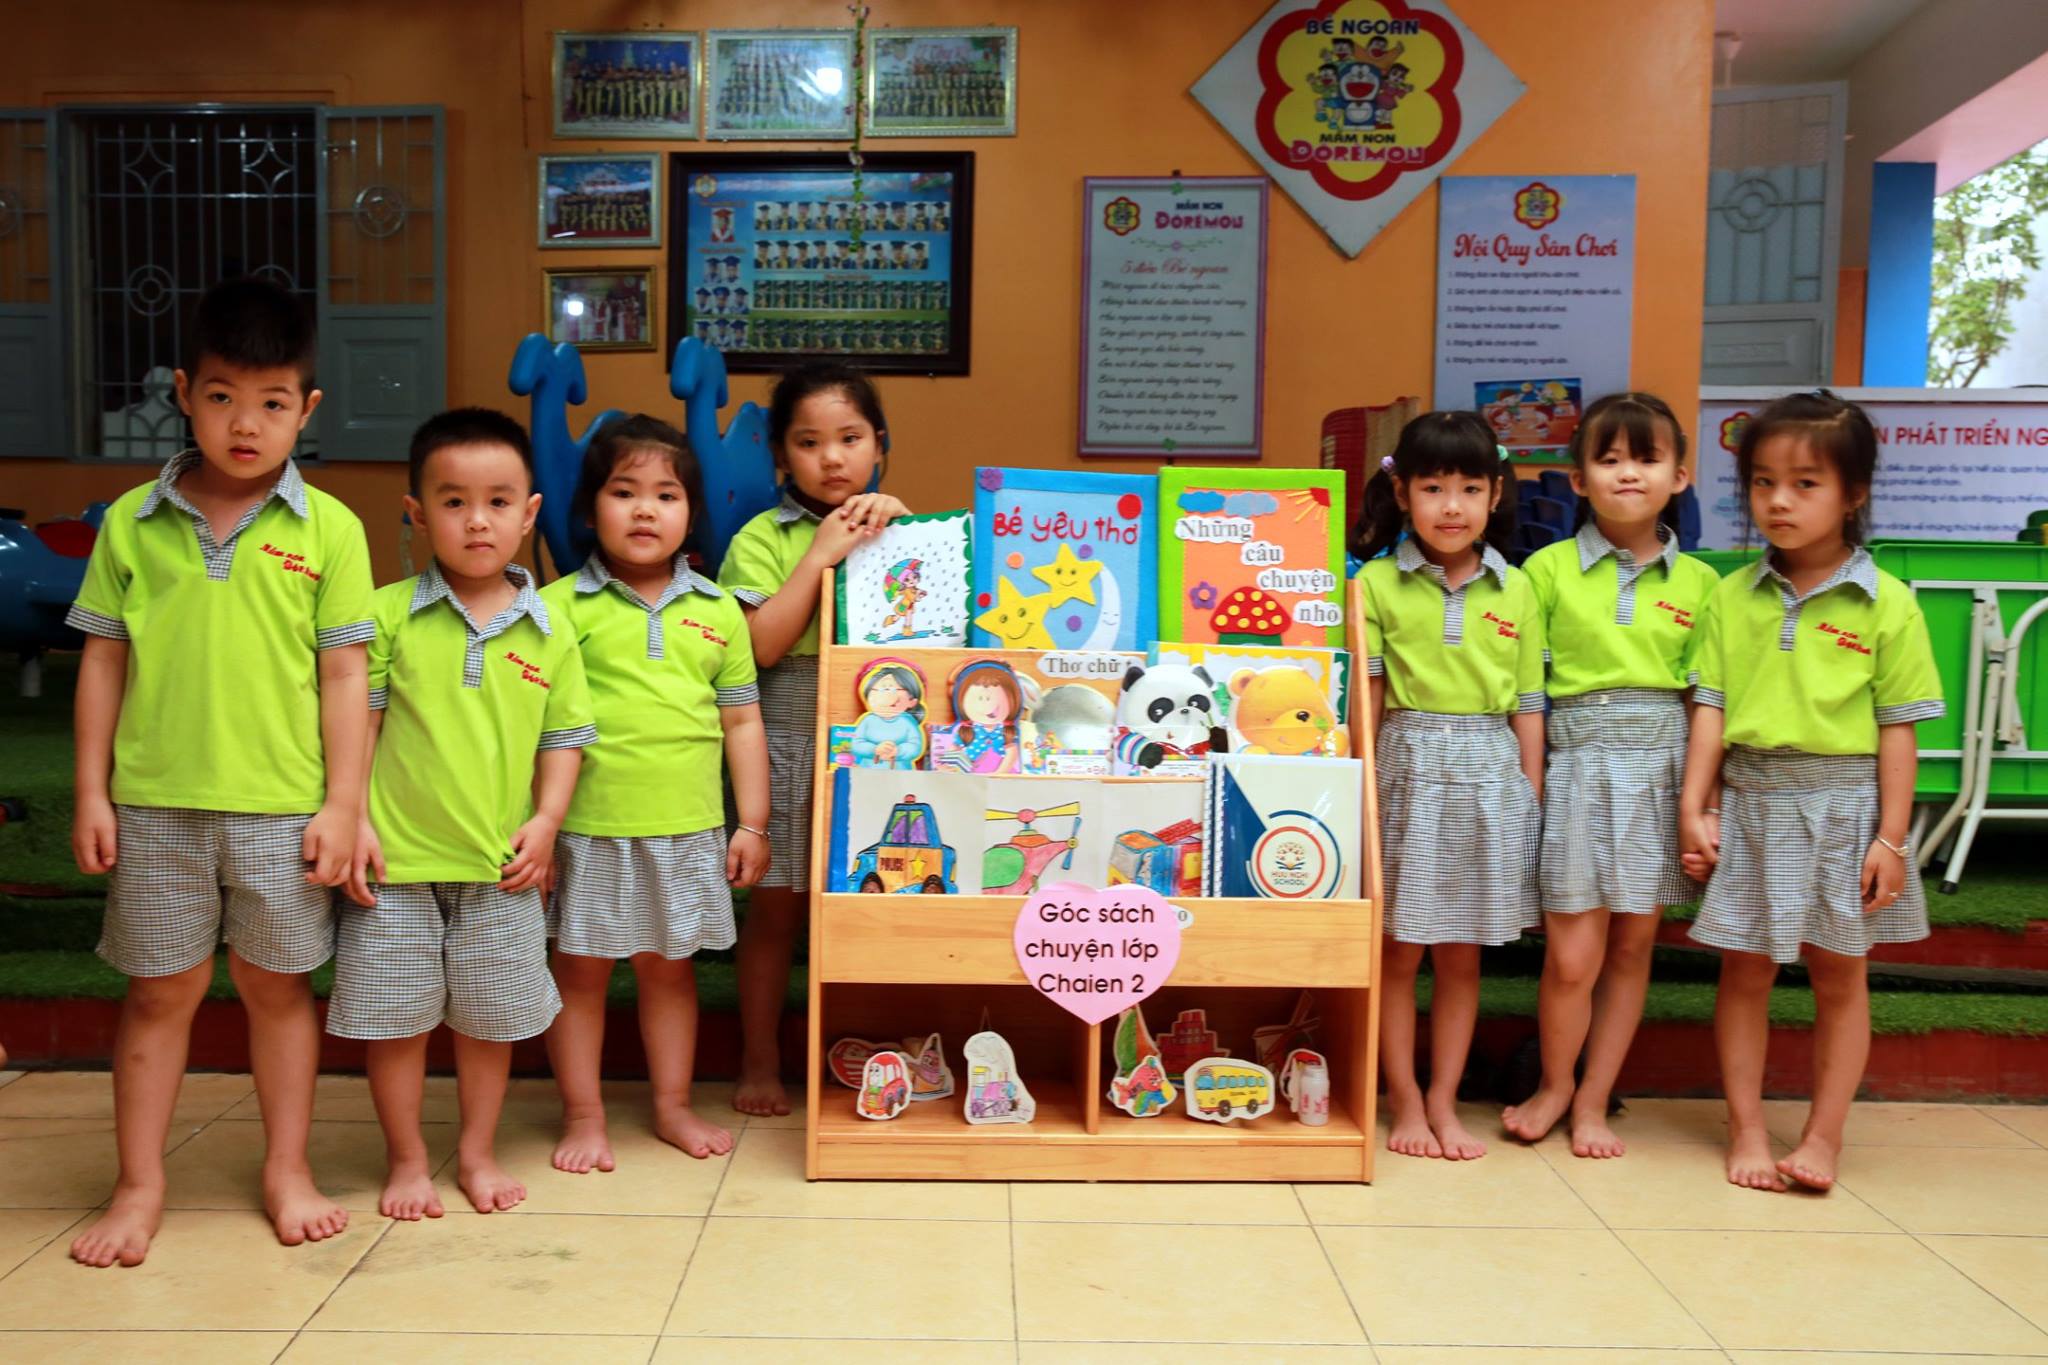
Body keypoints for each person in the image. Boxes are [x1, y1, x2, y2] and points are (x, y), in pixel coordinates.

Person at [65, 278, 372, 1268]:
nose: (247, 424)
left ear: (305, 409)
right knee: (161, 993)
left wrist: (342, 803)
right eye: (223, 397)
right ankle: (138, 1184)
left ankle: (287, 1168)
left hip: (283, 810)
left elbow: (346, 677)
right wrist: (91, 791)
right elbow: (104, 661)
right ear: (183, 392)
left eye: (272, 402)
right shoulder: (131, 521)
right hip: (156, 808)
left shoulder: (331, 529)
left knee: (279, 990)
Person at [333, 408, 596, 1219]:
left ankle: (477, 1152)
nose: (477, 520)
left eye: (497, 501)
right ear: (416, 513)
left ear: (530, 512)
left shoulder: (553, 630)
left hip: (500, 869)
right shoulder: (384, 614)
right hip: (394, 868)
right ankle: (408, 1159)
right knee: (397, 1024)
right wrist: (354, 818)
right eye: (453, 502)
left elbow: (563, 739)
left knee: (489, 1023)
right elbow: (359, 723)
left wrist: (547, 822)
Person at [1680, 391, 1943, 1192]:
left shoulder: (1889, 602)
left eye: (1805, 483)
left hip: (1846, 807)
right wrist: (1697, 805)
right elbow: (1711, 707)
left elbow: (1898, 729)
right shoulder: (1730, 594)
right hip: (1753, 802)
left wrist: (1891, 838)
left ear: (1853, 493)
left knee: (1840, 974)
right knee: (1746, 972)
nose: (1779, 501)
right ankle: (1747, 1127)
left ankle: (1825, 1136)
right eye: (1763, 482)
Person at [541, 415, 770, 1171]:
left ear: (691, 513)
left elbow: (741, 721)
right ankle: (583, 1114)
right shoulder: (556, 608)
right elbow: (531, 726)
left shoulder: (718, 611)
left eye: (666, 494)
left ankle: (672, 1106)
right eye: (624, 491)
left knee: (668, 973)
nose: (645, 509)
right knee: (580, 974)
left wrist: (753, 823)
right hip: (585, 829)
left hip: (687, 829)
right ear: (588, 508)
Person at [1502, 393, 1720, 1157]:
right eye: (1610, 458)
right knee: (1572, 956)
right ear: (1579, 479)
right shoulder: (1544, 571)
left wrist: (1702, 803)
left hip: (1663, 771)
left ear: (1680, 476)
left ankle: (1594, 1099)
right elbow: (1528, 691)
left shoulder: (1703, 584)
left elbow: (1705, 702)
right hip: (1576, 769)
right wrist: (1531, 789)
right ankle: (1555, 1084)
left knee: (1631, 948)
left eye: (1647, 458)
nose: (1629, 473)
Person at [718, 362, 909, 1115]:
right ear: (780, 454)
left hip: (883, 736)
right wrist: (820, 552)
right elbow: (762, 646)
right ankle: (760, 1059)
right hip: (790, 726)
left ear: (880, 444)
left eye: (850, 438)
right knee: (777, 911)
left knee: (875, 897)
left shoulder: (904, 530)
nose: (832, 458)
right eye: (808, 442)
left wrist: (903, 531)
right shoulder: (761, 538)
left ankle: (876, 1054)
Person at [1354, 411, 1542, 1161]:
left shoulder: (1519, 588)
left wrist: (1529, 797)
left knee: (1463, 955)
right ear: (1403, 493)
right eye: (1433, 488)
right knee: (1400, 952)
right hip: (1405, 773)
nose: (1452, 506)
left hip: (1492, 778)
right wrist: (1363, 795)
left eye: (1470, 488)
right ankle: (1403, 1098)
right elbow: (1368, 701)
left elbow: (1529, 704)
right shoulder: (1374, 583)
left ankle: (1443, 1100)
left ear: (1495, 494)